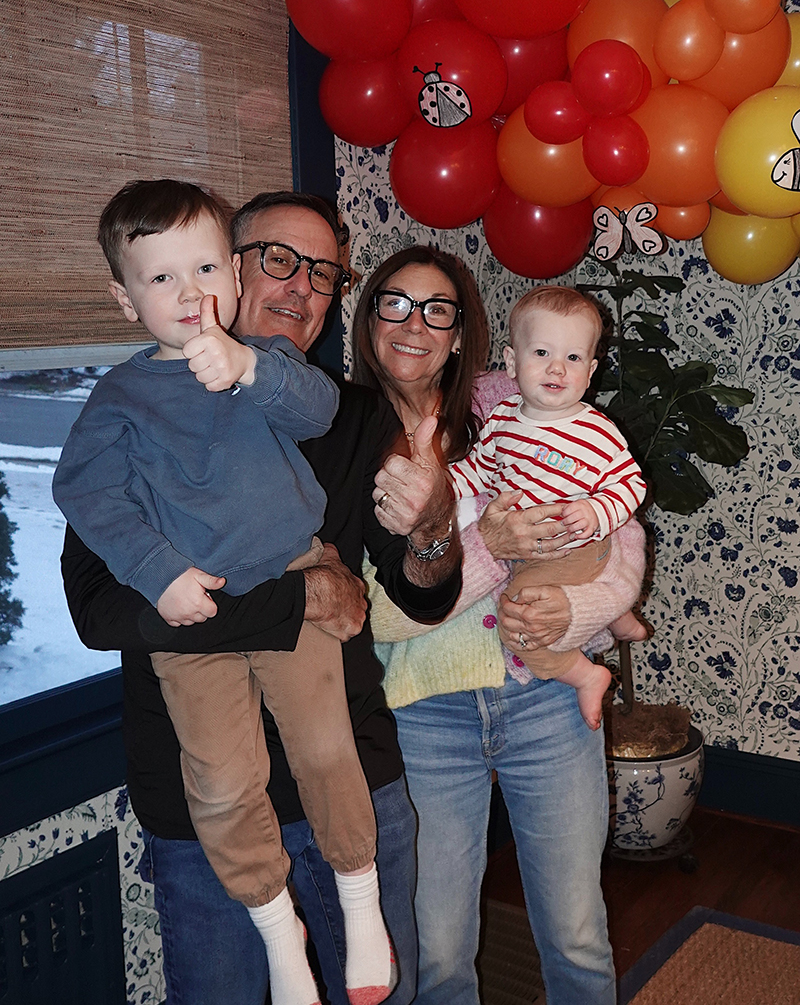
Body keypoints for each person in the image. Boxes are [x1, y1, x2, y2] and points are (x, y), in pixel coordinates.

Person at [60, 193, 462, 1005]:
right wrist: (301, 596)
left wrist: (434, 525)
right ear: (236, 271)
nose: (301, 287)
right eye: (278, 257)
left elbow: (423, 595)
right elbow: (101, 610)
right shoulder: (133, 412)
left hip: (352, 769)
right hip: (199, 804)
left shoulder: (353, 415)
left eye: (323, 272)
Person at [351, 245, 648, 1005]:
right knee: (441, 949)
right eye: (395, 303)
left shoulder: (502, 403)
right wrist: (490, 542)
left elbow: (624, 539)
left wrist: (578, 613)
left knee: (577, 933)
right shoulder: (341, 436)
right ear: (366, 318)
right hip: (428, 714)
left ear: (463, 333)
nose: (415, 324)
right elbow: (380, 612)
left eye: (438, 309)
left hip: (547, 703)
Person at [450, 284, 648, 731]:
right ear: (511, 360)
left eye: (573, 358)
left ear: (591, 370)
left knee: (518, 624)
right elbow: (478, 471)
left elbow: (630, 485)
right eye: (541, 352)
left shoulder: (596, 430)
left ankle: (586, 675)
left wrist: (599, 511)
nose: (557, 367)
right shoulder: (501, 418)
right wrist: (444, 488)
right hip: (527, 549)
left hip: (573, 546)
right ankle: (618, 617)